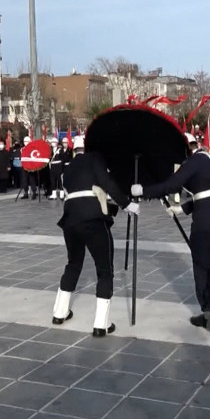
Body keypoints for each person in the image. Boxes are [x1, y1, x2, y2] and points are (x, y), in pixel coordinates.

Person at [131, 136, 210, 333]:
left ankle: (209, 309)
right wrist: (182, 209)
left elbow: (172, 185)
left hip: (206, 219)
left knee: (201, 265)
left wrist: (143, 191)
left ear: (189, 149)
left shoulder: (193, 161)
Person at [51, 135, 140, 337]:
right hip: (92, 221)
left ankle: (59, 312)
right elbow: (105, 182)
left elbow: (77, 192)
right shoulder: (95, 159)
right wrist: (127, 204)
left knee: (73, 264)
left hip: (70, 219)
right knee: (104, 269)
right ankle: (101, 324)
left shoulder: (71, 165)